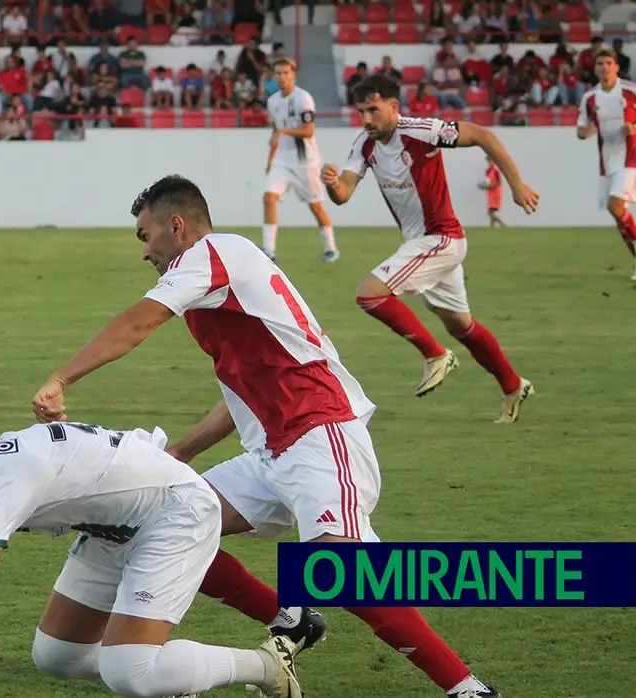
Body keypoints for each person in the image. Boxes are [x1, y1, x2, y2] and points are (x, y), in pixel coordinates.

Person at [31, 175, 504, 698]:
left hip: (323, 436)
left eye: (146, 236)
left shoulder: (215, 253)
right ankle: (293, 617)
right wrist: (183, 454)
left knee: (342, 572)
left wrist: (60, 380)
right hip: (270, 455)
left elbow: (139, 322)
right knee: (167, 525)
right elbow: (240, 396)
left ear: (177, 225)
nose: (145, 251)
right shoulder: (218, 285)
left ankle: (467, 688)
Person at [0, 415, 302, 698]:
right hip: (121, 526)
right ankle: (188, 666)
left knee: (130, 672)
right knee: (57, 655)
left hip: (180, 510)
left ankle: (267, 664)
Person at [322, 74, 538, 423]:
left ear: (394, 107)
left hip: (441, 238)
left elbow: (482, 135)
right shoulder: (364, 144)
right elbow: (344, 193)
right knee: (462, 327)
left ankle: (435, 354)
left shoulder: (422, 130)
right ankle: (514, 386)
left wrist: (516, 184)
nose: (366, 119)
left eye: (373, 110)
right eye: (361, 111)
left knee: (370, 294)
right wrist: (332, 184)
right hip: (422, 245)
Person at [261, 58, 338, 262]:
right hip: (282, 161)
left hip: (306, 163)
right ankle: (269, 250)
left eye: (286, 72)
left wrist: (284, 131)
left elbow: (309, 131)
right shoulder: (272, 101)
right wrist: (270, 159)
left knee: (315, 206)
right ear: (274, 76)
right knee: (269, 198)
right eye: (278, 73)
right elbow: (275, 132)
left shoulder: (303, 99)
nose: (282, 77)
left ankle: (331, 248)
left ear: (293, 74)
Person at [577, 48, 636, 281]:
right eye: (600, 63)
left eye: (608, 63)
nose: (604, 67)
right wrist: (587, 131)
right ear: (595, 69)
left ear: (616, 67)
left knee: (615, 206)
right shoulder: (590, 98)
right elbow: (581, 130)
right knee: (619, 215)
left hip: (631, 159)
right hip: (607, 163)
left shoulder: (631, 91)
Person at [479, 156, 505, 228]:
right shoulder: (487, 171)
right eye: (489, 161)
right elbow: (487, 182)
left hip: (496, 192)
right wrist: (483, 186)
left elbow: (499, 182)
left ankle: (502, 224)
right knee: (491, 211)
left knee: (490, 211)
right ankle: (492, 226)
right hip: (490, 193)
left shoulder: (496, 171)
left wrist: (490, 186)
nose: (490, 162)